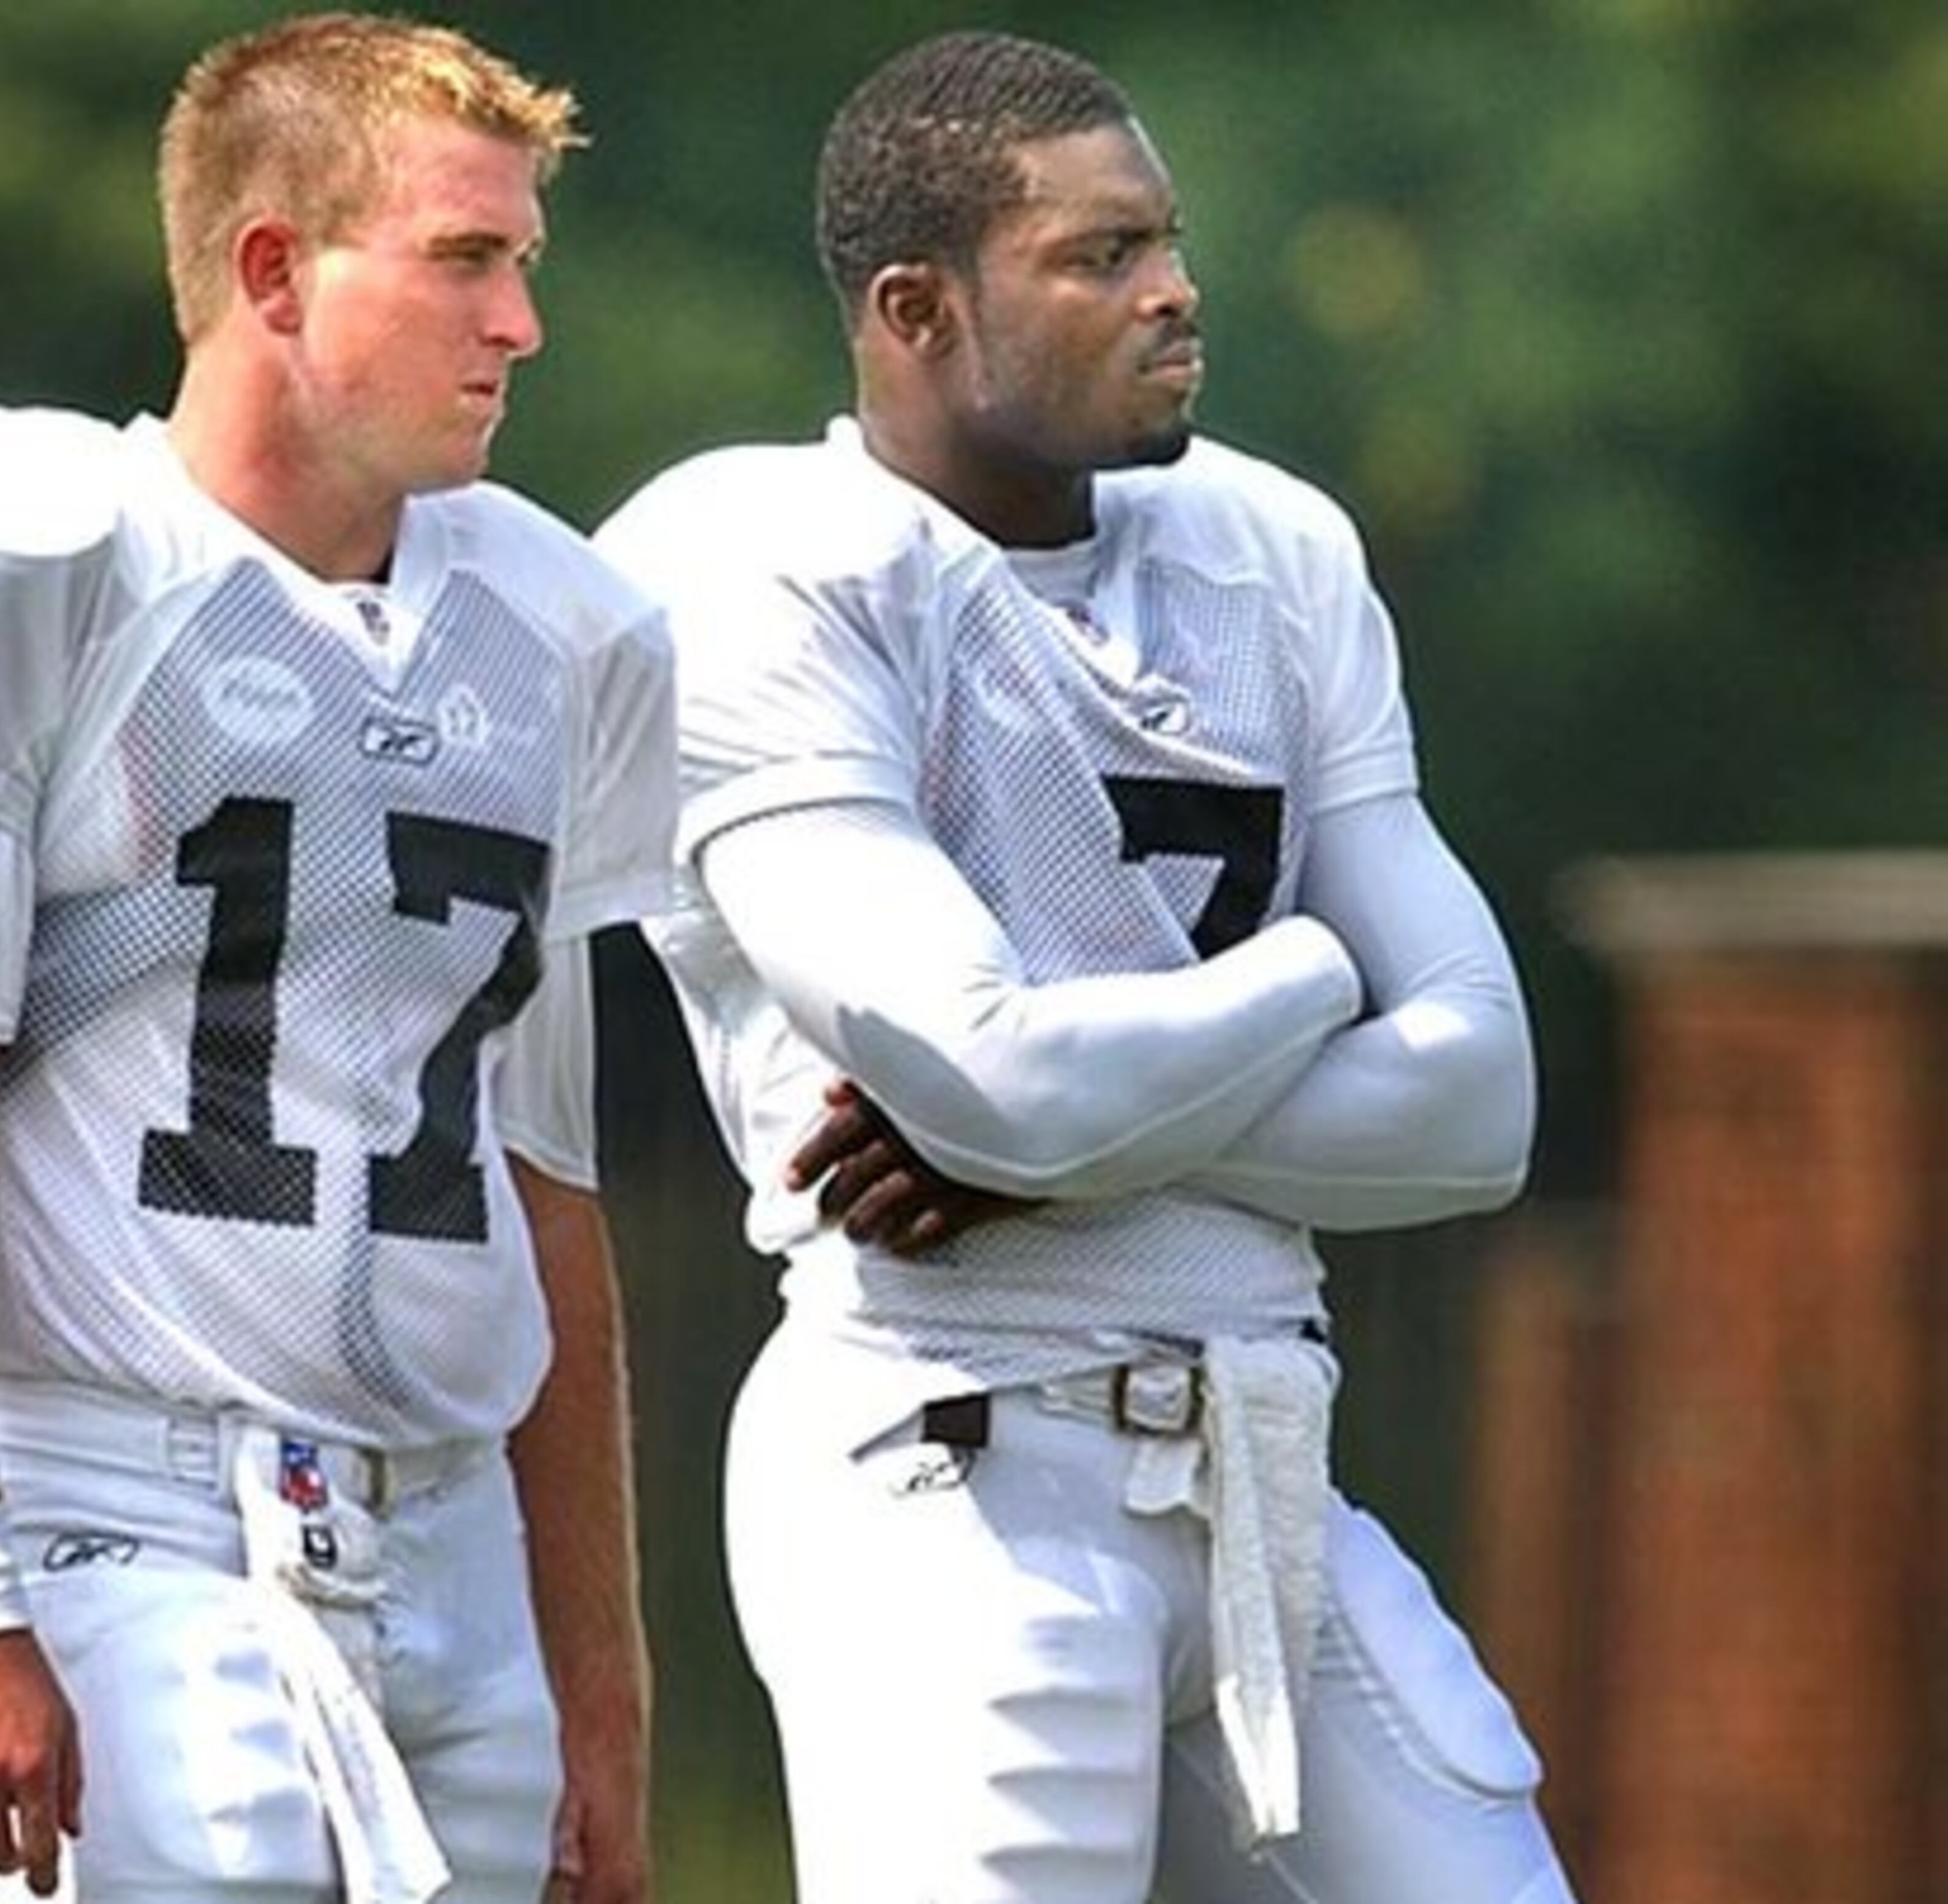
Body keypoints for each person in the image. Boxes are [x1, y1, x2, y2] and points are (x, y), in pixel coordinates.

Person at [595, 28, 1577, 1904]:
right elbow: (992, 1074)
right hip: (954, 1449)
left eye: (1170, 240)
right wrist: (1300, 973)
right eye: (1100, 255)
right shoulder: (764, 564)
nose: (1175, 288)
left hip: (1266, 1457)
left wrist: (1063, 1131)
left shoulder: (1271, 551)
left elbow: (1482, 1108)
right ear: (917, 308)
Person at [0, 14, 669, 1903]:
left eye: (524, 266)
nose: (520, 328)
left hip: (454, 1543)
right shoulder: (33, 566)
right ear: (272, 274)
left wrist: (602, 1689)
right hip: (126, 1518)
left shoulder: (563, 635)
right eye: (464, 260)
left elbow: (540, 1191)